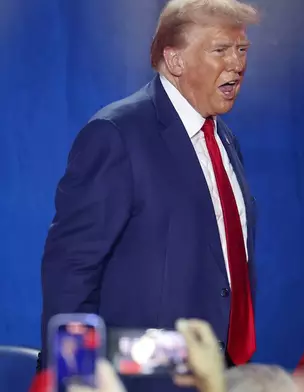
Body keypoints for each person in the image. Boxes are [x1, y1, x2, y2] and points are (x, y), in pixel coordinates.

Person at [36, 0, 259, 390]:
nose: (237, 64)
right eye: (220, 50)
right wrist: (75, 376)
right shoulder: (117, 135)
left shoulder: (225, 141)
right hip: (143, 380)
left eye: (241, 50)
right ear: (174, 61)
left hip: (219, 374)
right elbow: (72, 272)